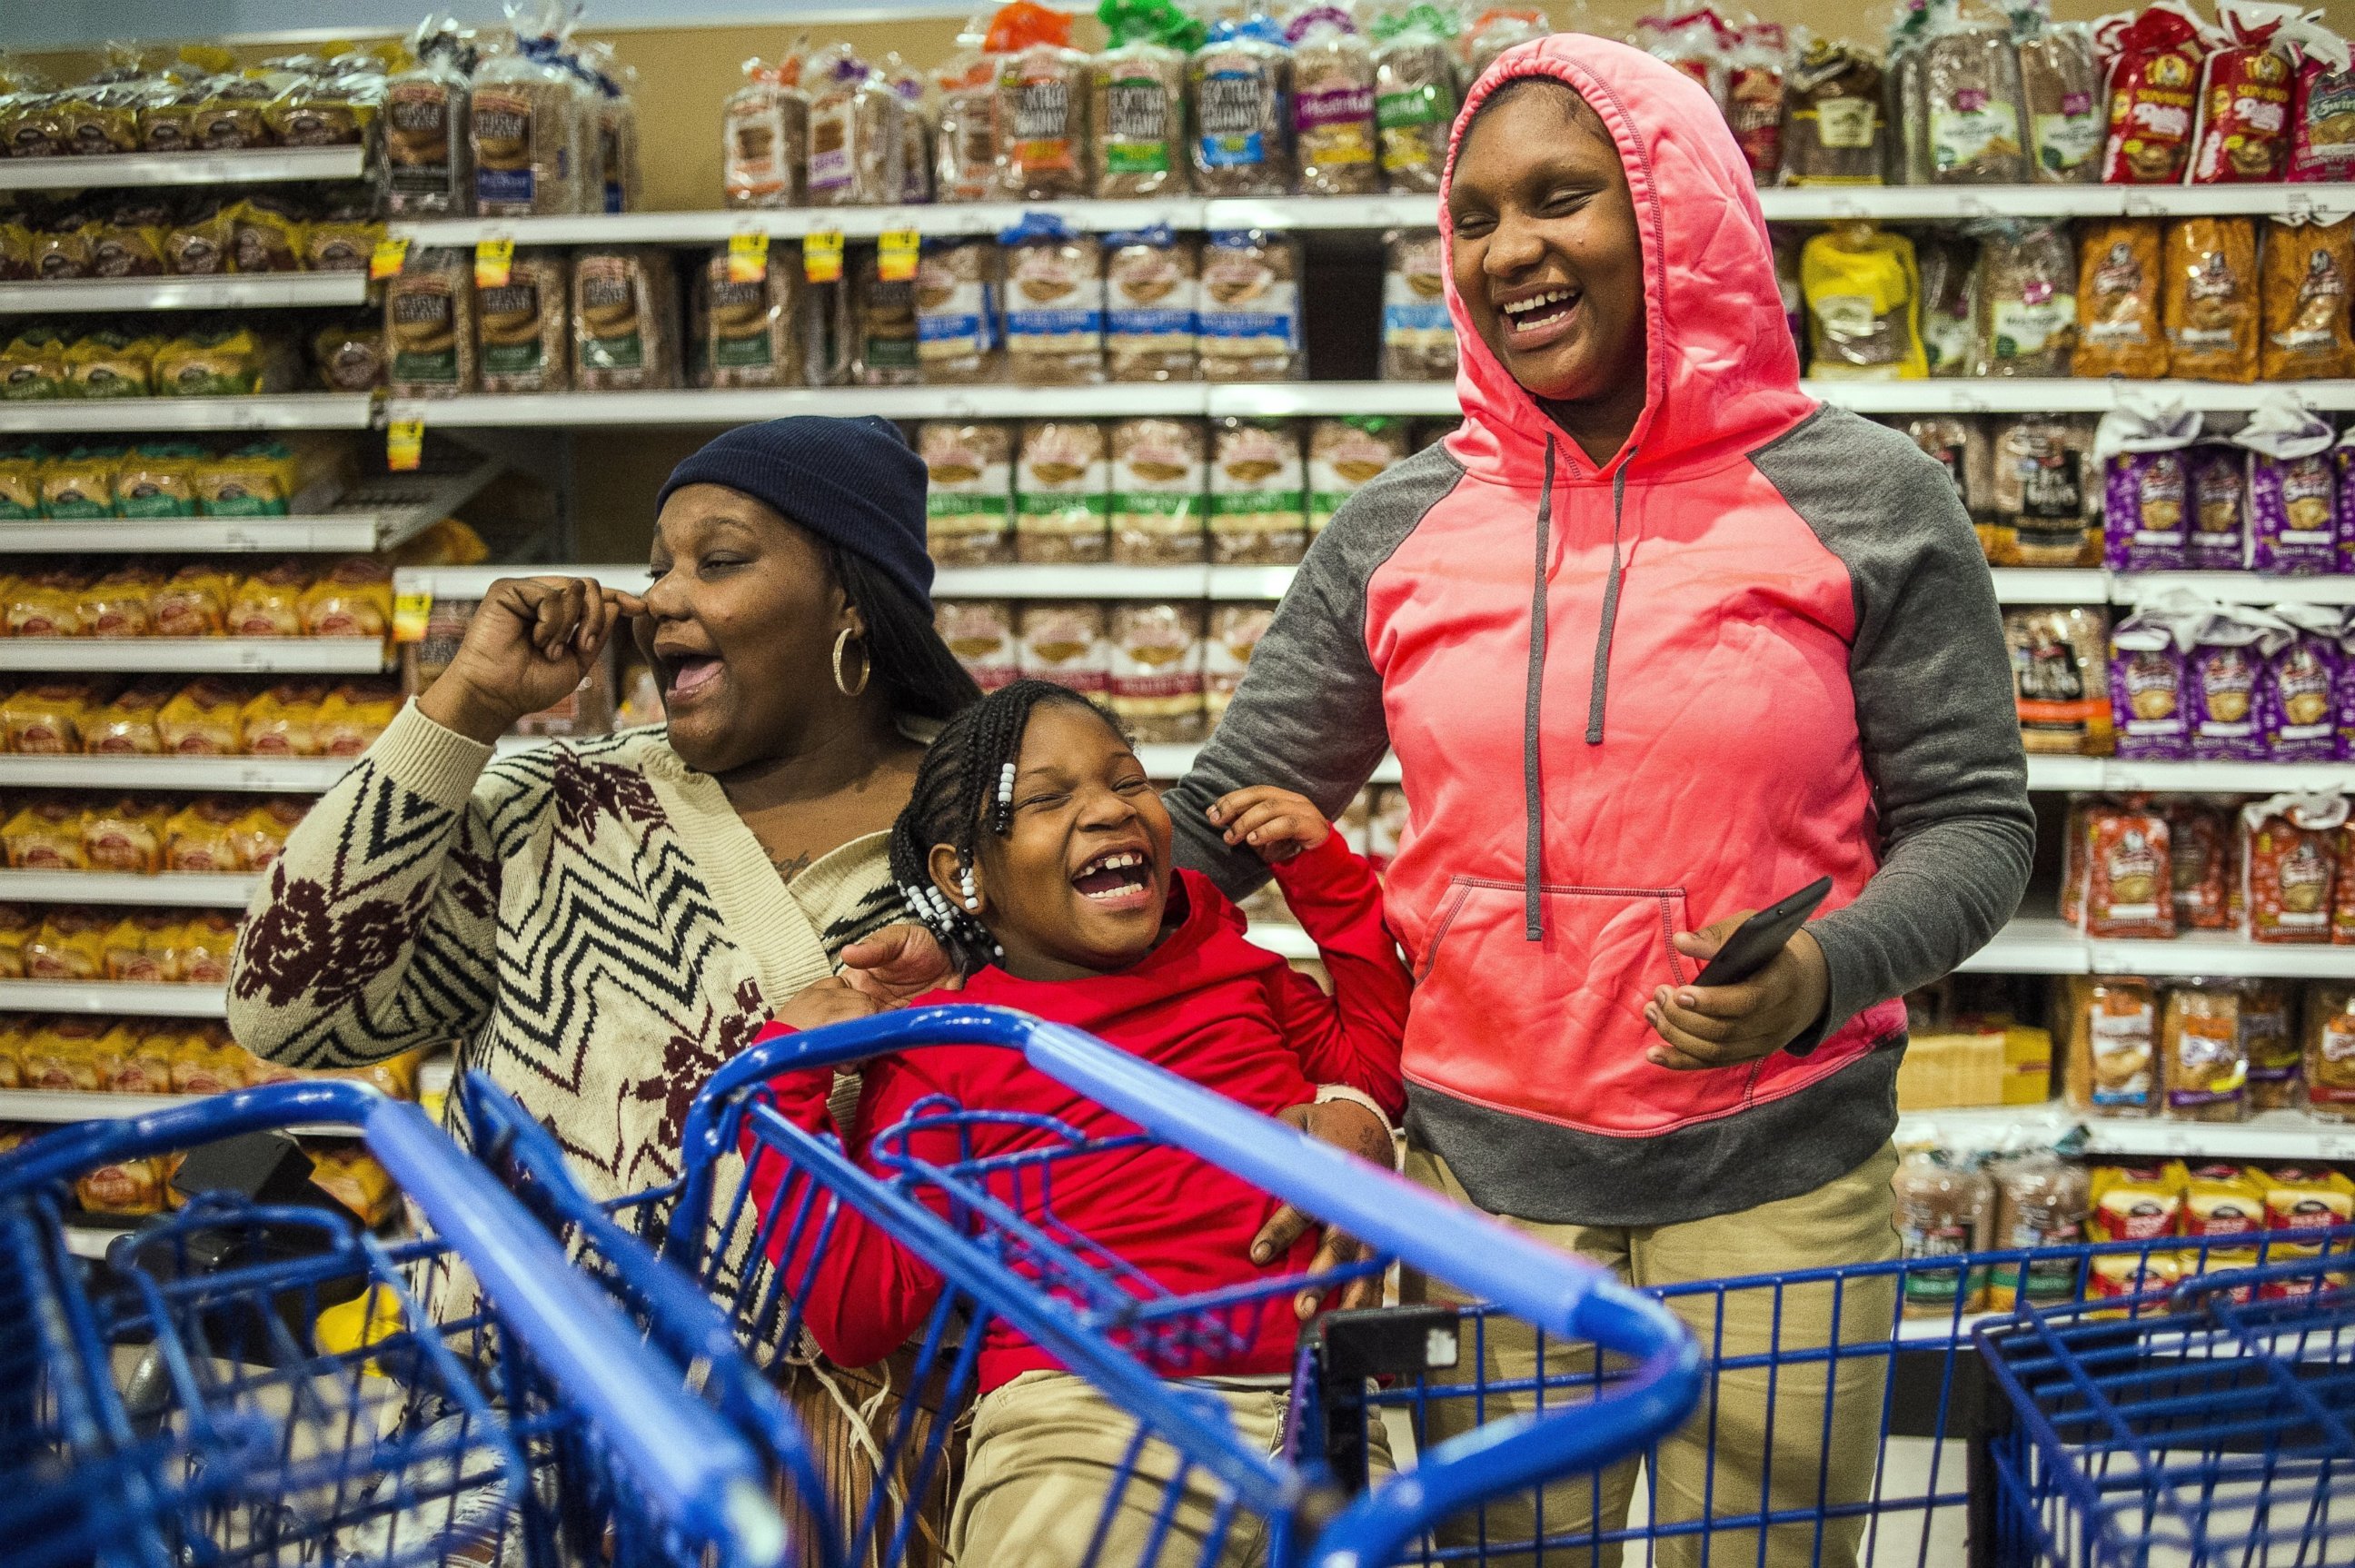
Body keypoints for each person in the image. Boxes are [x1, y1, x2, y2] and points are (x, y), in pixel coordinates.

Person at [1158, 35, 2035, 1568]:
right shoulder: (1400, 520)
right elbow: (1234, 800)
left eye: (1560, 198)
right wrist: (976, 924)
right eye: (1476, 217)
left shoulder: (1871, 497)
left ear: (1673, 215)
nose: (1511, 251)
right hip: (1485, 1194)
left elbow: (1973, 823)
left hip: (1779, 1191)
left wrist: (1820, 973)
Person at [225, 414, 980, 1551]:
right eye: (657, 567)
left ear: (852, 603)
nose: (660, 600)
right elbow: (287, 1002)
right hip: (512, 1465)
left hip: (846, 1480)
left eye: (717, 561)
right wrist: (462, 710)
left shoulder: (995, 837)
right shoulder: (558, 806)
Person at [746, 679, 1409, 1568]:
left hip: (1321, 1420)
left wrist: (1327, 878)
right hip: (1087, 1432)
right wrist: (785, 1080)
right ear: (963, 873)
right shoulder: (951, 1051)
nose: (1108, 810)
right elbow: (858, 1313)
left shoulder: (1235, 971)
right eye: (1048, 798)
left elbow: (1373, 1065)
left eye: (1130, 781)